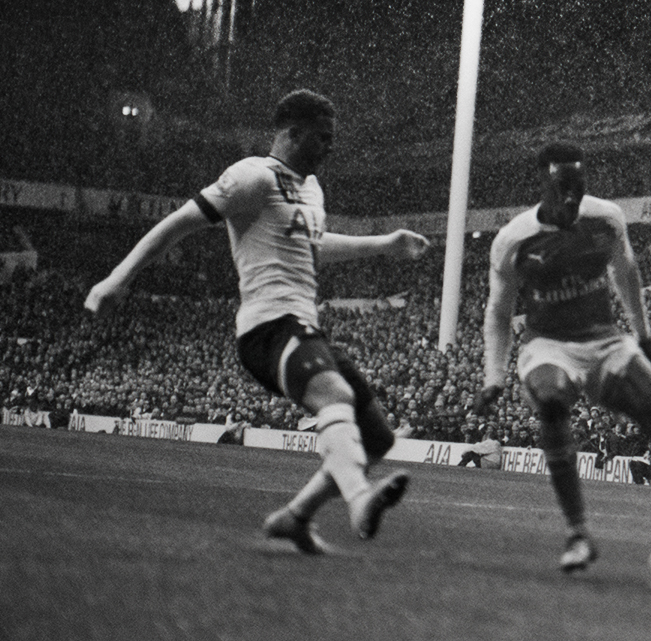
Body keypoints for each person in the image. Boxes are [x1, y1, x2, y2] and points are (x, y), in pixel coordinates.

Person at [83, 88, 426, 552]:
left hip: (303, 326)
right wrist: (115, 280)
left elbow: (312, 247)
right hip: (268, 327)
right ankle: (360, 499)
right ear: (293, 133)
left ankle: (295, 517)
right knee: (337, 394)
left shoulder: (311, 187)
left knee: (377, 438)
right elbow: (178, 223)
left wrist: (383, 244)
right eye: (322, 137)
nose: (329, 147)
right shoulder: (252, 176)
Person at [481, 141, 651, 581]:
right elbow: (498, 312)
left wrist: (643, 334)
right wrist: (494, 375)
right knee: (550, 401)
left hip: (604, 342)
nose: (571, 196)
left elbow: (627, 271)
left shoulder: (606, 219)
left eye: (578, 186)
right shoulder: (513, 240)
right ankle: (577, 533)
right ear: (543, 182)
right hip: (548, 346)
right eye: (562, 186)